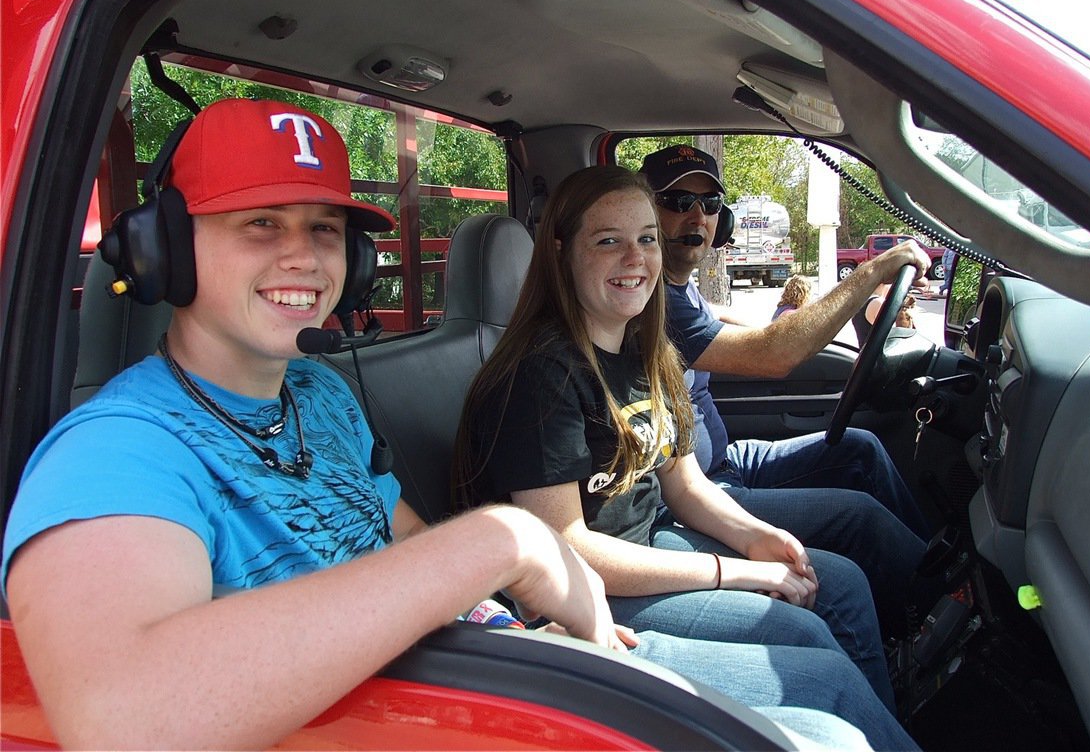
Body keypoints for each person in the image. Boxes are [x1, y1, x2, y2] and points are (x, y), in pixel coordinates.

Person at [0, 100, 875, 751]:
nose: (303, 255)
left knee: (817, 694)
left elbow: (405, 536)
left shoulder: (317, 396)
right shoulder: (115, 450)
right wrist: (500, 544)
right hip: (403, 715)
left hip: (478, 665)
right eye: (259, 224)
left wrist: (535, 627)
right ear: (167, 251)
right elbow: (123, 719)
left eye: (325, 227)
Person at [453, 165, 919, 751]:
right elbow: (566, 547)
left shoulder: (649, 352)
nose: (636, 258)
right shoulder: (540, 376)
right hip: (585, 592)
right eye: (608, 241)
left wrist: (755, 536)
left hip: (650, 543)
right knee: (822, 671)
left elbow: (684, 482)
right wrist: (740, 572)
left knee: (837, 583)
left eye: (646, 238)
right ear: (561, 252)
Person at [642, 144, 938, 633]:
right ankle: (938, 609)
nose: (695, 216)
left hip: (725, 460)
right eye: (676, 202)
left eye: (709, 205)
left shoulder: (679, 286)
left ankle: (930, 570)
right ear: (646, 212)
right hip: (703, 487)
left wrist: (775, 324)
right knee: (858, 517)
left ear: (724, 219)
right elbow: (773, 356)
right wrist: (870, 274)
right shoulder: (651, 296)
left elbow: (716, 322)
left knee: (860, 449)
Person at [852, 282, 916, 347]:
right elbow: (900, 336)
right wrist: (904, 312)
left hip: (868, 351)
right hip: (880, 353)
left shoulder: (864, 301)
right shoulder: (878, 303)